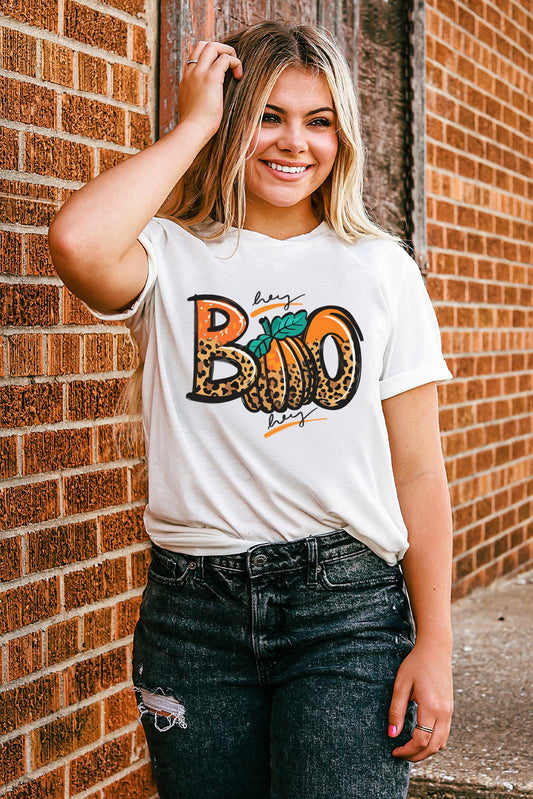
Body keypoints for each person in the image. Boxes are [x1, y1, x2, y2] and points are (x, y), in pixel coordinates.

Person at [48, 20, 454, 799]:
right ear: (236, 123)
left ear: (343, 135)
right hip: (191, 616)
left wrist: (433, 643)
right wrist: (197, 122)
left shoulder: (380, 268)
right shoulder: (169, 253)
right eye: (267, 114)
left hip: (345, 610)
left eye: (318, 120)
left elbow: (418, 468)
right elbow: (76, 240)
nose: (293, 142)